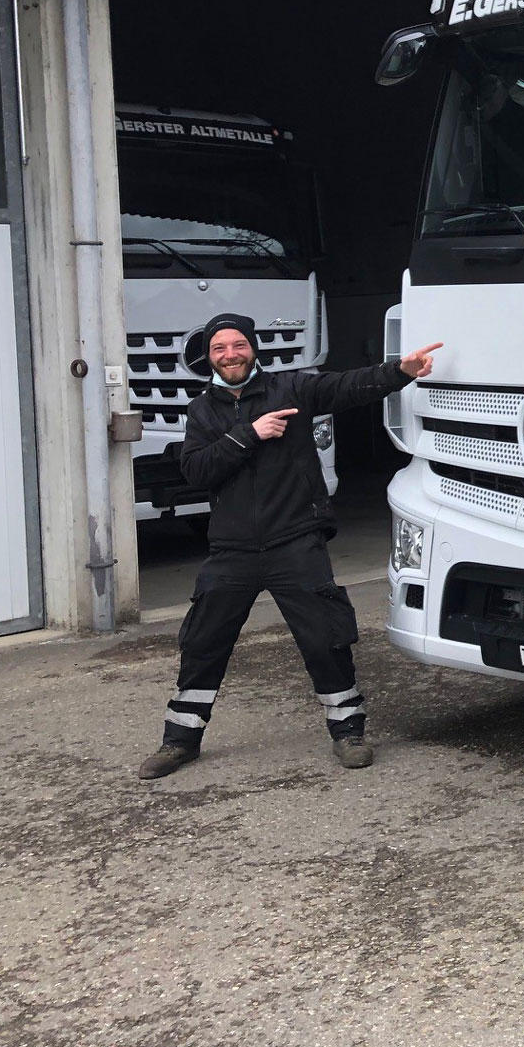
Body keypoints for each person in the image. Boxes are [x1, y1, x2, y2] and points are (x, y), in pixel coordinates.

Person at [136, 313, 442, 779]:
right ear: (210, 358)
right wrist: (248, 434)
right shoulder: (202, 412)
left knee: (325, 639)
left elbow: (348, 386)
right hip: (232, 550)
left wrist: (400, 371)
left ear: (252, 348)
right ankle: (180, 740)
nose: (230, 354)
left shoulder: (291, 390)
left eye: (238, 344)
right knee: (203, 643)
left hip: (295, 540)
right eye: (220, 348)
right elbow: (197, 471)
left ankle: (348, 731)